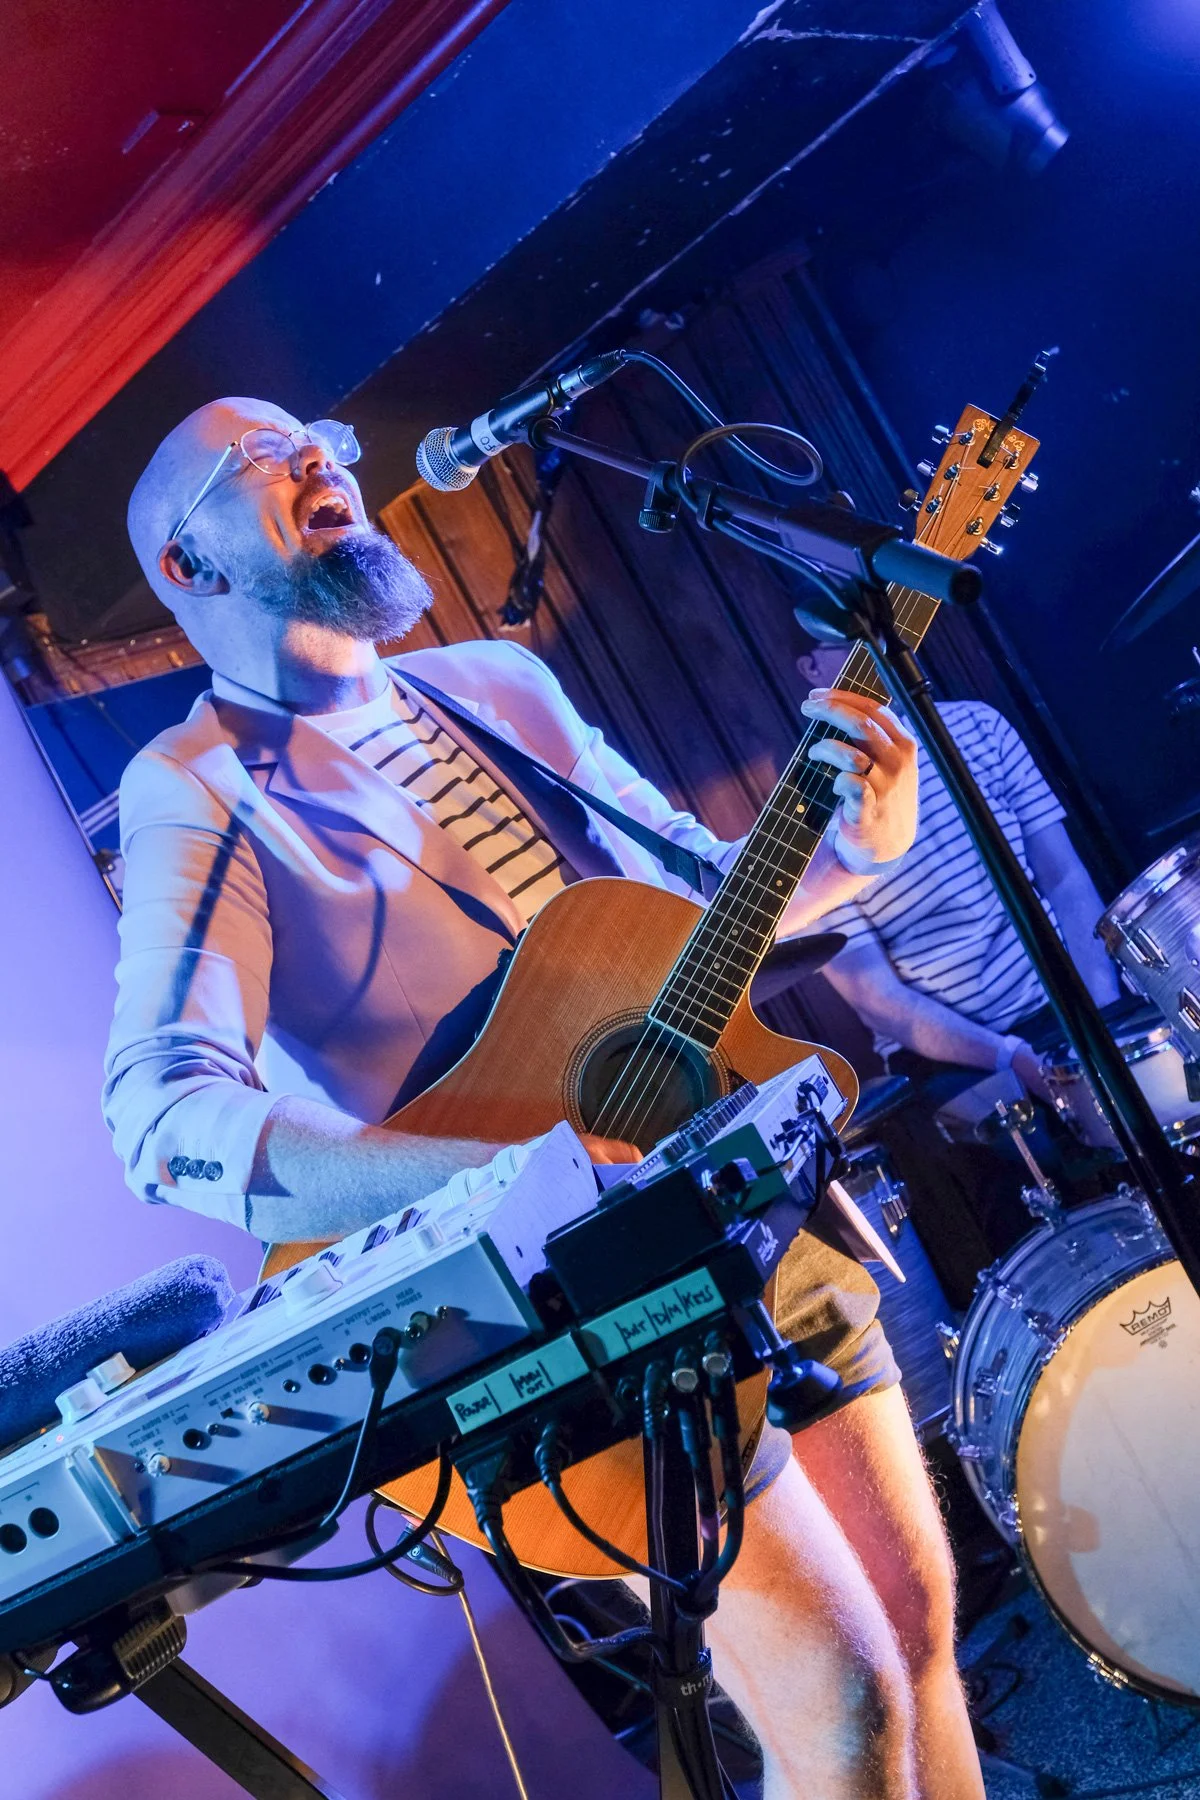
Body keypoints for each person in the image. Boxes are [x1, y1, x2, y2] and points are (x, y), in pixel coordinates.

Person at [104, 398, 985, 1799]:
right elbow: (165, 1116)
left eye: (316, 437)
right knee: (842, 1706)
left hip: (734, 1202)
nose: (318, 458)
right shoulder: (198, 790)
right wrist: (484, 1189)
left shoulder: (494, 688)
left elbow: (698, 911)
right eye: (259, 460)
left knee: (926, 1631)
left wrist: (863, 849)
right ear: (185, 567)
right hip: (566, 1325)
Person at [796, 639, 1121, 1297]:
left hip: (1065, 1010)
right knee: (1026, 1198)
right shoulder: (808, 817)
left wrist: (1102, 1016)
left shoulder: (978, 726)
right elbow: (879, 1001)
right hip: (954, 1060)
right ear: (809, 672)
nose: (867, 655)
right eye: (839, 646)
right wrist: (1007, 1055)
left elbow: (1062, 877)